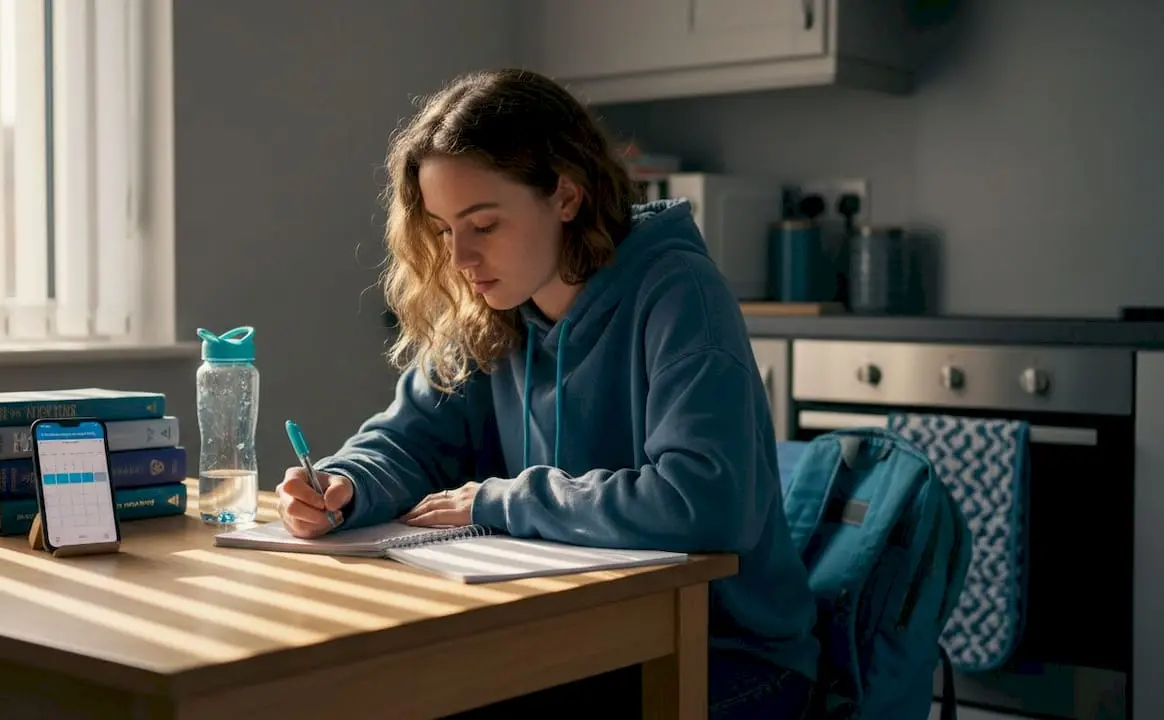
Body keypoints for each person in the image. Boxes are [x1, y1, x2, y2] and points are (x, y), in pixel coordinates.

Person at [276, 68, 819, 719]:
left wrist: (502, 498)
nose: (461, 259)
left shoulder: (678, 293)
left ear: (565, 195)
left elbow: (705, 502)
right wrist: (345, 485)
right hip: (576, 642)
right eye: (446, 231)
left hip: (722, 655)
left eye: (484, 224)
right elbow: (409, 441)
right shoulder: (491, 309)